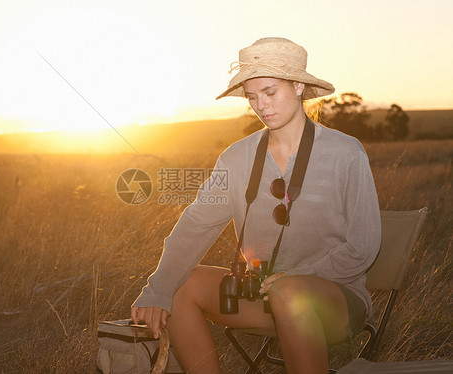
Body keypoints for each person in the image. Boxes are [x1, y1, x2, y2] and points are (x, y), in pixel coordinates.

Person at [131, 37, 381, 374]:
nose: (261, 105)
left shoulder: (347, 152)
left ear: (298, 86)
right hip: (262, 294)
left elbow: (363, 246)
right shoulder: (235, 158)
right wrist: (156, 290)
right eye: (252, 96)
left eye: (270, 91)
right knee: (179, 286)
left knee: (289, 292)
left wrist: (292, 280)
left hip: (333, 298)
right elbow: (196, 223)